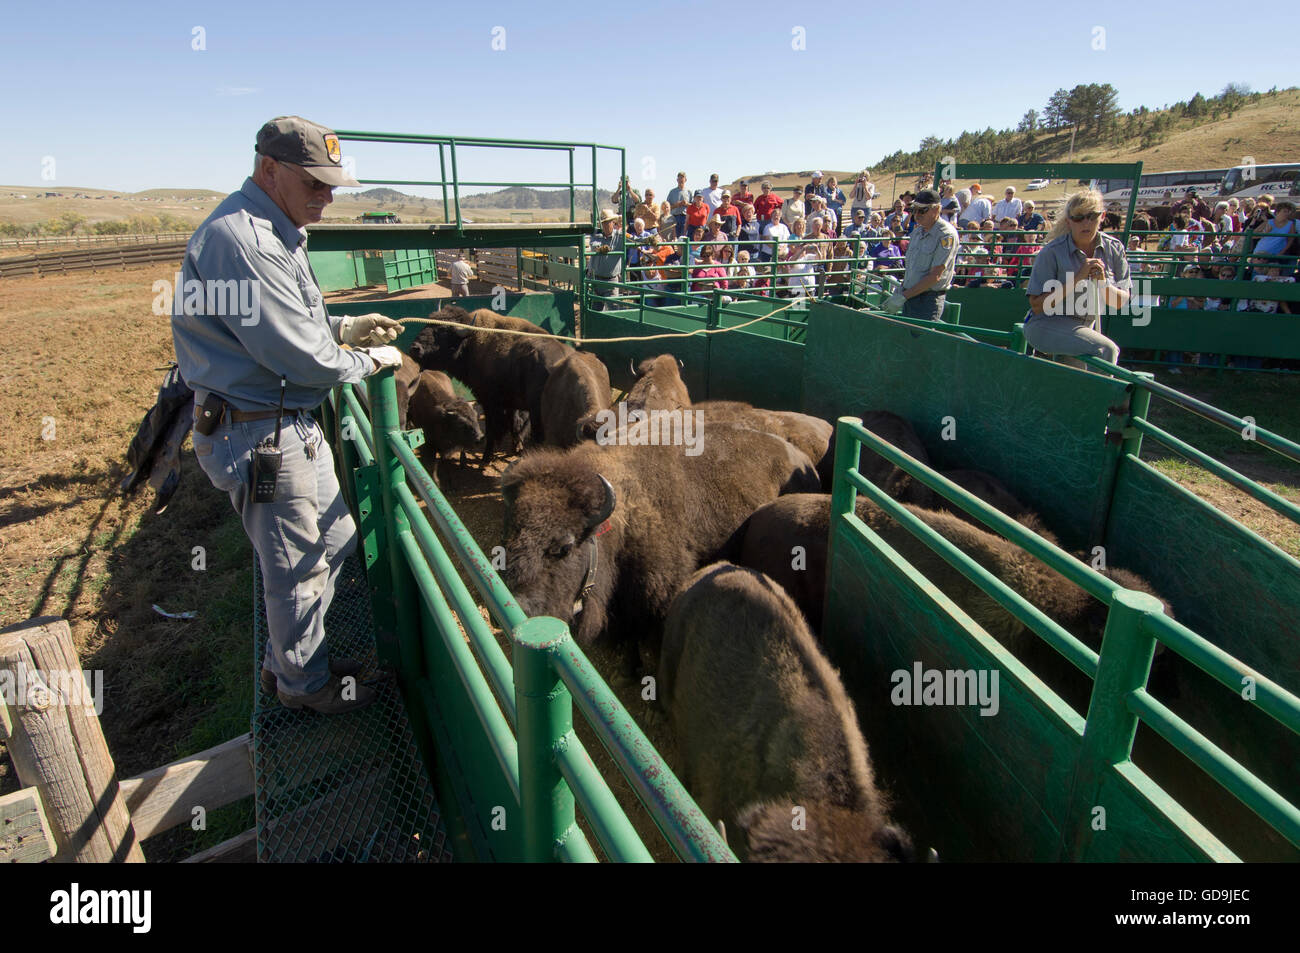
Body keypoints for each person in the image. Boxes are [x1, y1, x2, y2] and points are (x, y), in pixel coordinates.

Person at [174, 116, 405, 714]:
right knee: (298, 568)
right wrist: (366, 358)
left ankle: (294, 660)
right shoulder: (244, 241)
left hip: (281, 421)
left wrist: (342, 327)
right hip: (260, 432)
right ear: (268, 169)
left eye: (332, 186)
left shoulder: (273, 229)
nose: (327, 197)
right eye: (316, 184)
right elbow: (297, 355)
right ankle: (305, 687)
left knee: (334, 541)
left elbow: (288, 329)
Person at [1022, 188, 1130, 365]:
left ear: (1102, 216)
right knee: (1106, 350)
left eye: (1092, 216)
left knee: (1072, 383)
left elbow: (1120, 302)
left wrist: (1103, 283)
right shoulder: (1052, 252)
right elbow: (1037, 305)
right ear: (1069, 221)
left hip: (1083, 328)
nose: (1086, 223)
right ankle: (1105, 394)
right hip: (1045, 323)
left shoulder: (1114, 249)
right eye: (1079, 217)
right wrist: (1078, 278)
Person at [882, 189, 958, 320]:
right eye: (914, 209)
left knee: (920, 338)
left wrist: (904, 296)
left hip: (927, 300)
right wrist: (902, 290)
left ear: (937, 209)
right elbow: (912, 267)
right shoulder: (917, 232)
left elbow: (935, 276)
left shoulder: (945, 235)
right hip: (909, 296)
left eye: (922, 210)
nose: (917, 214)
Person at [587, 209, 626, 304]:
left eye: (608, 222)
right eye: (604, 223)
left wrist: (647, 240)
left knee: (612, 310)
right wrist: (600, 249)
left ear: (613, 223)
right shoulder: (596, 235)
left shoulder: (620, 236)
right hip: (596, 280)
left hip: (611, 281)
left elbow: (635, 240)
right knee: (596, 311)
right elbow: (594, 245)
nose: (605, 225)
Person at [667, 172, 691, 239]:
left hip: (685, 217)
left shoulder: (689, 192)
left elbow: (693, 206)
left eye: (682, 178)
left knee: (683, 237)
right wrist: (676, 205)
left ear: (685, 180)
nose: (681, 180)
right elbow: (667, 207)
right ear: (677, 180)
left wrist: (686, 204)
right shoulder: (672, 192)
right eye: (679, 178)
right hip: (674, 217)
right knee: (674, 238)